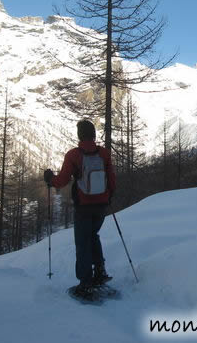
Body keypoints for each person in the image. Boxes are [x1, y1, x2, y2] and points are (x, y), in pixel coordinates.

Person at [44, 119, 116, 291]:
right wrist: (108, 197)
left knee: (83, 242)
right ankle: (100, 272)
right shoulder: (104, 154)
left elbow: (62, 180)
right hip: (101, 205)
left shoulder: (74, 155)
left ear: (79, 135)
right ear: (93, 134)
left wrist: (49, 179)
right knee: (93, 236)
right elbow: (112, 179)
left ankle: (85, 282)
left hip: (83, 206)